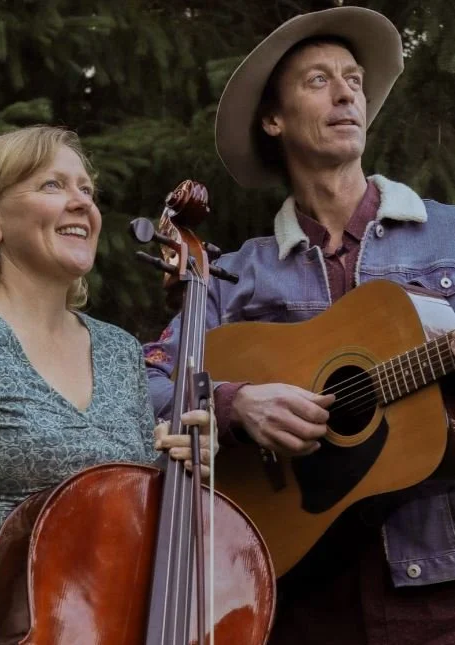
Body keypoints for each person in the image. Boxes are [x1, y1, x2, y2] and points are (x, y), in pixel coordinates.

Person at [144, 6, 455, 645]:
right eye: (319, 80)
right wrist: (236, 403)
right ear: (273, 119)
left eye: (354, 80)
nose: (346, 93)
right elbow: (143, 384)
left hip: (437, 585)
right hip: (296, 599)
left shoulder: (450, 236)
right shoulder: (234, 274)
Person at [0, 125, 215, 644]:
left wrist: (181, 468)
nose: (82, 202)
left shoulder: (120, 351)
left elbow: (133, 526)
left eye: (87, 189)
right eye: (52, 185)